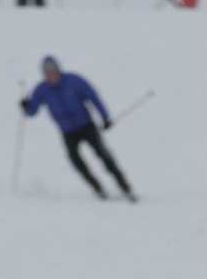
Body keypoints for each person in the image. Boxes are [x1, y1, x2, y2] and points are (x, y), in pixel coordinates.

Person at [20, 56, 136, 202]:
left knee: (104, 156)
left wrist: (105, 118)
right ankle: (98, 189)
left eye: (53, 71)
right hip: (67, 132)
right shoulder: (42, 89)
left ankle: (126, 188)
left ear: (58, 70)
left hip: (87, 126)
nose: (51, 75)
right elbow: (32, 112)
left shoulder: (74, 81)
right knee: (76, 161)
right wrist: (26, 106)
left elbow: (94, 97)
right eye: (47, 73)